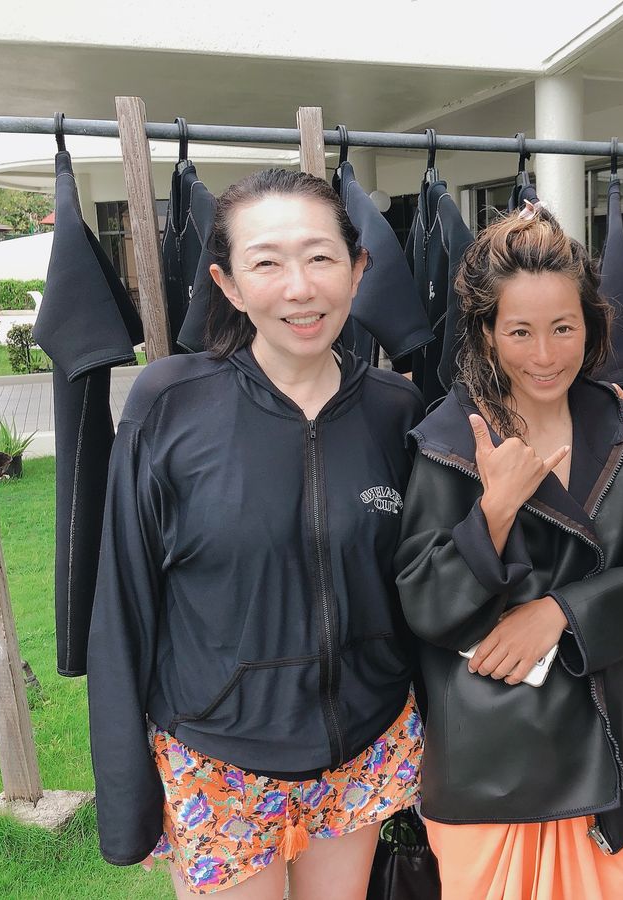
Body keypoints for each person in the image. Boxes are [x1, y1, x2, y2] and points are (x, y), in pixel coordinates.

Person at [86, 169, 425, 899]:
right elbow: (122, 606)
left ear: (357, 268)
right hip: (216, 755)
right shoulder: (168, 406)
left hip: (364, 742)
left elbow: (420, 587)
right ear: (229, 285)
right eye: (267, 262)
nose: (299, 288)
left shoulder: (397, 412)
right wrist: (125, 797)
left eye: (321, 257)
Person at [395, 200, 623, 900]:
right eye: (520, 331)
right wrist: (495, 509)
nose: (544, 355)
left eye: (563, 328)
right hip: (486, 748)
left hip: (599, 732)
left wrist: (561, 612)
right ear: (487, 332)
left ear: (589, 324)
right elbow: (425, 600)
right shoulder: (450, 439)